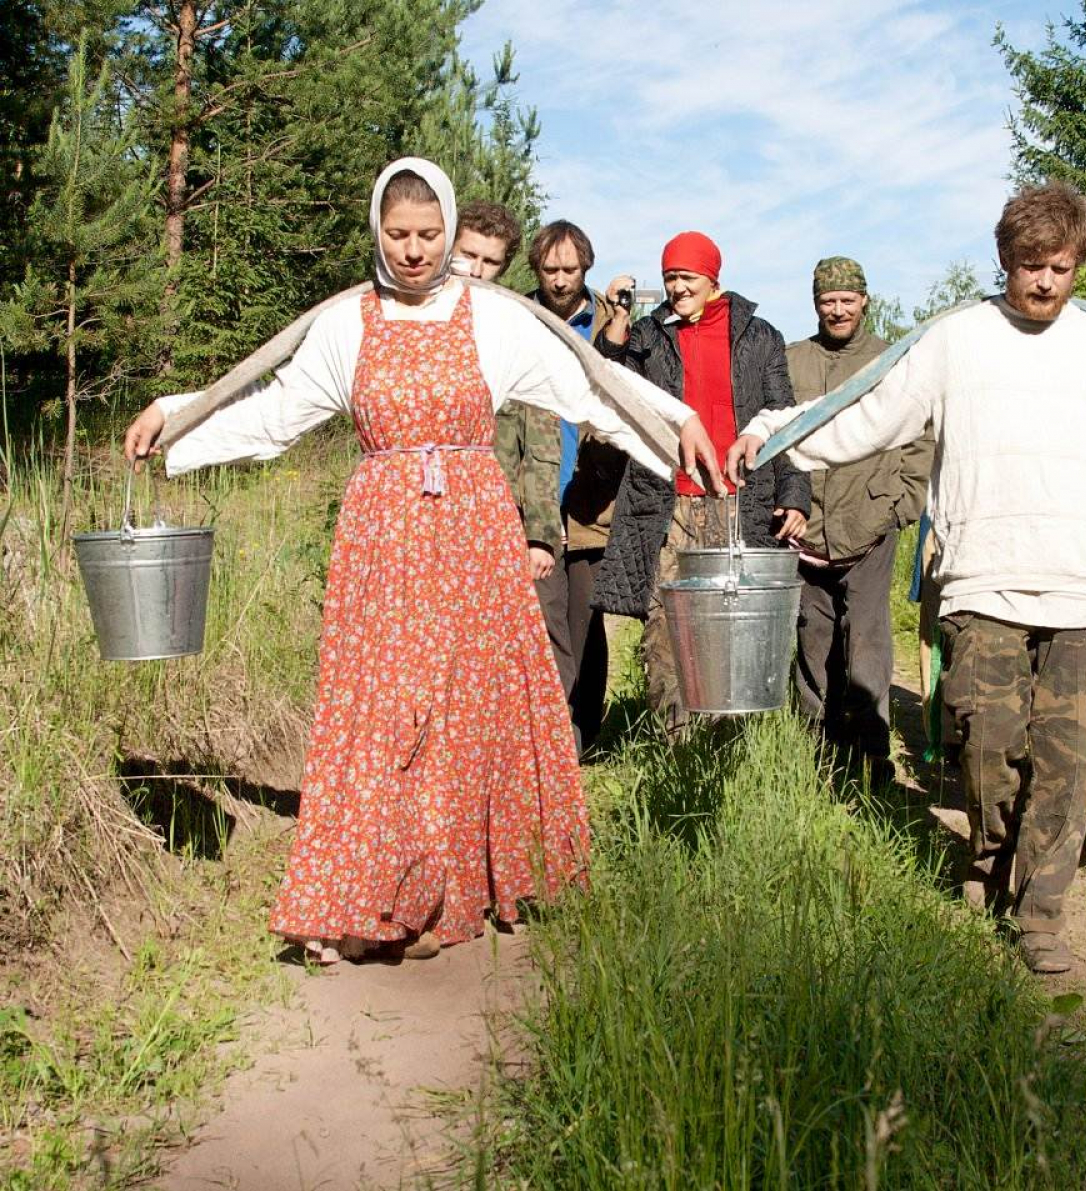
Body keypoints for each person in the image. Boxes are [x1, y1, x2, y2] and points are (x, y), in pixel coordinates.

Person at [122, 158, 724, 964]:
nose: (412, 250)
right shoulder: (347, 323)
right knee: (382, 707)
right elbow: (274, 418)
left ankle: (457, 881)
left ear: (448, 232)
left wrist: (675, 418)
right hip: (384, 542)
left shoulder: (493, 317)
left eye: (428, 234)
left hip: (474, 535)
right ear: (378, 230)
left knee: (472, 702)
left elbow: (588, 389)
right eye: (397, 234)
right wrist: (175, 419)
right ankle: (376, 889)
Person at [728, 181, 1086, 974]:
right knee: (985, 745)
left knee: (1067, 759)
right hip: (981, 582)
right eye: (1031, 265)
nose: (1044, 281)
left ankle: (1040, 913)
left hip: (1081, 589)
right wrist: (769, 433)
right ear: (1004, 261)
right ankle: (993, 855)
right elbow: (865, 408)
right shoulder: (954, 339)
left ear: (1079, 265)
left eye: (1061, 267)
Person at [593, 231, 811, 736]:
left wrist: (794, 493)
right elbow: (608, 379)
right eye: (669, 277)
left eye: (686, 277)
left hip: (738, 504)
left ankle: (728, 744)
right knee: (665, 627)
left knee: (732, 633)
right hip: (667, 504)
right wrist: (618, 320)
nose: (676, 287)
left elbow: (783, 417)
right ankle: (677, 744)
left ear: (713, 279)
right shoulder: (650, 334)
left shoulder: (758, 336)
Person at [787, 256, 929, 781]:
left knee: (867, 638)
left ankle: (872, 751)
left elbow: (921, 434)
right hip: (805, 528)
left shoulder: (893, 361)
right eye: (828, 301)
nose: (838, 310)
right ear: (816, 303)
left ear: (864, 301)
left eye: (848, 300)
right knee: (811, 637)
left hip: (870, 521)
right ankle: (816, 748)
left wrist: (903, 503)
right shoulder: (792, 361)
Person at [492, 218, 626, 753]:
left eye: (570, 269)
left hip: (592, 495)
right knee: (547, 624)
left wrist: (619, 329)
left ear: (585, 268)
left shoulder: (607, 322)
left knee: (586, 619)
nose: (560, 279)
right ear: (536, 270)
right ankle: (552, 735)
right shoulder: (517, 319)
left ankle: (584, 730)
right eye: (550, 269)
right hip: (535, 493)